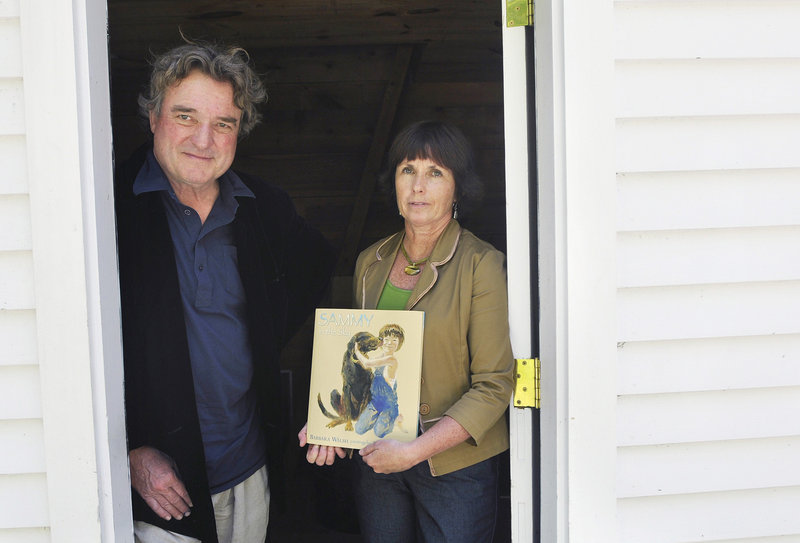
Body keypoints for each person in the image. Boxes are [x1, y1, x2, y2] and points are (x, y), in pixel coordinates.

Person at [115, 40, 335, 543]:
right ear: (153, 118)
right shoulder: (112, 208)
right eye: (185, 116)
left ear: (241, 131)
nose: (204, 139)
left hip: (249, 469)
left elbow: (317, 268)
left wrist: (263, 338)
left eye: (224, 123)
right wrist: (128, 449)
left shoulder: (263, 207)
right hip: (159, 485)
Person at [300, 120, 514, 542]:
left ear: (458, 188)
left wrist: (415, 451)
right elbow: (361, 361)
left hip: (453, 465)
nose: (418, 186)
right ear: (394, 184)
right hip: (378, 456)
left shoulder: (482, 265)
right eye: (407, 170)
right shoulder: (370, 261)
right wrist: (332, 426)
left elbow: (495, 385)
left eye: (435, 172)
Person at [354, 324, 405, 438]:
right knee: (359, 429)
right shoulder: (379, 357)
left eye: (394, 340)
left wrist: (357, 351)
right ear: (381, 341)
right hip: (375, 402)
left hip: (388, 404)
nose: (390, 343)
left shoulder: (392, 360)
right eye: (386, 339)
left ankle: (394, 417)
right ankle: (377, 418)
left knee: (379, 433)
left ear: (399, 343)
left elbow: (367, 363)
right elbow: (367, 363)